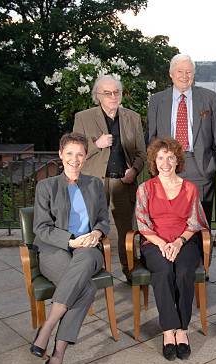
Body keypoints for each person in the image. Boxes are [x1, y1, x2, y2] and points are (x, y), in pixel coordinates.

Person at [30, 133, 110, 364]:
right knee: (85, 290)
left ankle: (48, 326)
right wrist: (71, 241)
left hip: (89, 250)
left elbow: (103, 219)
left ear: (86, 157)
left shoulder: (95, 184)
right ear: (61, 154)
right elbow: (41, 228)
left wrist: (97, 233)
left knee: (87, 256)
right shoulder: (46, 186)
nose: (75, 159)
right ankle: (56, 359)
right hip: (55, 250)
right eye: (70, 153)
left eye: (80, 154)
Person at [135, 138, 209, 361]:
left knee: (184, 272)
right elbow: (142, 223)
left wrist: (177, 243)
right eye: (160, 158)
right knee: (165, 271)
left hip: (184, 241)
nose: (165, 162)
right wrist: (162, 244)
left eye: (170, 157)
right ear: (153, 161)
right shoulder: (145, 188)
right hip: (154, 242)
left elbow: (195, 222)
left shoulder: (190, 189)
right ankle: (169, 331)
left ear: (178, 161)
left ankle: (182, 330)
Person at [73, 74, 146, 281]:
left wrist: (134, 171)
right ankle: (95, 273)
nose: (113, 96)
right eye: (108, 93)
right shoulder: (83, 117)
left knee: (127, 232)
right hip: (94, 183)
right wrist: (97, 144)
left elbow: (141, 153)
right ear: (98, 95)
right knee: (93, 229)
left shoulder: (132, 117)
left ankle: (130, 271)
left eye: (116, 92)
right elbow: (76, 152)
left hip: (123, 183)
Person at [147, 54, 216, 222]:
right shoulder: (156, 100)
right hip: (167, 166)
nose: (184, 76)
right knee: (169, 220)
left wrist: (213, 164)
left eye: (189, 72)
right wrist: (157, 166)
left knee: (200, 222)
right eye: (180, 71)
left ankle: (201, 249)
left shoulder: (209, 98)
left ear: (194, 74)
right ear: (171, 74)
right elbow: (151, 137)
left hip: (200, 168)